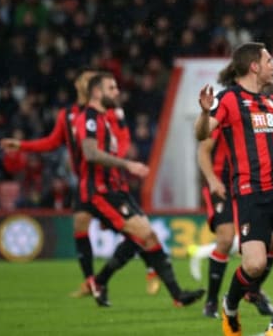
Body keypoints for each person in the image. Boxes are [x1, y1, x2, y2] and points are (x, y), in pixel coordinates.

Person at [194, 42, 273, 336]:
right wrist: (204, 114)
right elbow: (202, 134)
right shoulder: (228, 100)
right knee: (253, 266)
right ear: (254, 66)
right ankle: (229, 304)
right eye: (268, 61)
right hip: (250, 194)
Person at [0, 69, 160, 297]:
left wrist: (116, 162)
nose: (84, 85)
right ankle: (90, 282)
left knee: (132, 230)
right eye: (82, 82)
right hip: (86, 183)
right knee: (80, 225)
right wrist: (22, 145)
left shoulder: (109, 111)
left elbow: (122, 140)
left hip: (110, 181)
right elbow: (51, 142)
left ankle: (149, 267)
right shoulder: (67, 116)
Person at [74, 72, 204, 307]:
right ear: (96, 92)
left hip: (116, 189)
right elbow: (90, 153)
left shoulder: (106, 119)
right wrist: (127, 164)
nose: (116, 92)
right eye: (111, 88)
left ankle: (174, 295)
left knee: (147, 236)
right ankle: (174, 294)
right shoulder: (89, 118)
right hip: (101, 193)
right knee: (143, 235)